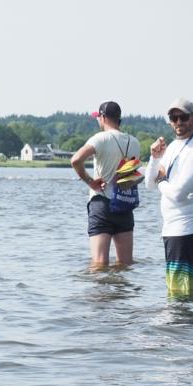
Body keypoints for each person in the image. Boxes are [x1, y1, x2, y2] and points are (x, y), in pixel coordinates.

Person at [145, 98, 193, 296]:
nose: (178, 122)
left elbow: (177, 194)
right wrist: (154, 158)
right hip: (172, 231)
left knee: (180, 297)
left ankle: (184, 318)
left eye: (183, 117)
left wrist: (161, 180)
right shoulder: (174, 146)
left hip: (188, 232)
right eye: (173, 118)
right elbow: (149, 184)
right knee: (175, 294)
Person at [70, 101, 140, 266]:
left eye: (98, 117)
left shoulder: (100, 138)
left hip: (102, 204)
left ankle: (102, 285)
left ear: (103, 117)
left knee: (99, 264)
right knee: (125, 264)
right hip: (124, 204)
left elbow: (75, 160)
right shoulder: (134, 142)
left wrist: (90, 182)